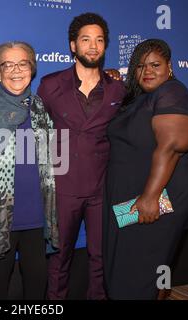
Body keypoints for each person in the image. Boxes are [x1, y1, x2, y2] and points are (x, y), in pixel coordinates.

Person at [37, 13, 126, 300]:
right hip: (62, 188)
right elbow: (37, 134)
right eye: (86, 39)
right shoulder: (50, 85)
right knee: (59, 260)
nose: (93, 46)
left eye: (99, 40)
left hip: (102, 188)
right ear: (73, 46)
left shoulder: (118, 88)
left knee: (101, 258)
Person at [103, 39, 188, 300]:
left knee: (140, 267)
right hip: (135, 194)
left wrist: (150, 197)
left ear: (169, 67)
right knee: (151, 266)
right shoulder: (143, 98)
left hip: (158, 196)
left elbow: (172, 146)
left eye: (155, 64)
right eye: (140, 66)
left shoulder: (173, 92)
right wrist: (110, 78)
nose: (148, 70)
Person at [0, 41, 58, 299]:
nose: (16, 70)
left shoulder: (39, 107)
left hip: (36, 214)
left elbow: (53, 161)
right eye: (8, 64)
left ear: (32, 68)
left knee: (37, 283)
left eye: (23, 63)